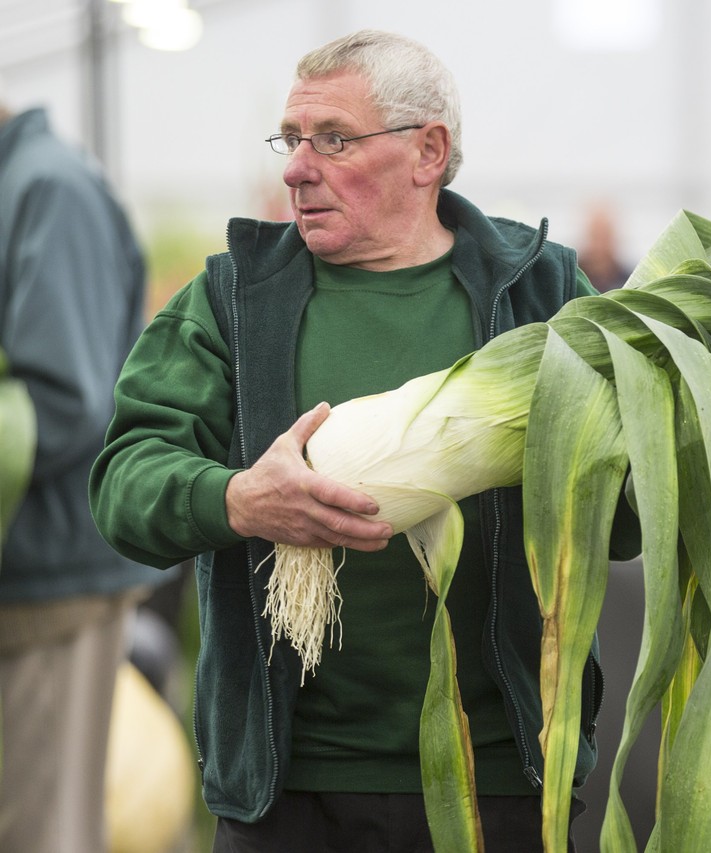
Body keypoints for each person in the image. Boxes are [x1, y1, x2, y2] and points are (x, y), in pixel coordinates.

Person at [90, 30, 638, 852]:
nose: (296, 167)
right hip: (288, 791)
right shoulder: (231, 299)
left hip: (498, 782)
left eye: (334, 139)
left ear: (428, 152)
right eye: (290, 138)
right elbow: (123, 482)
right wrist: (239, 498)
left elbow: (625, 522)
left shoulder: (543, 293)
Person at [0, 102, 160, 852]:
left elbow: (64, 398)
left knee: (41, 829)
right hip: (28, 572)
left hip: (50, 582)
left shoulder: (47, 188)